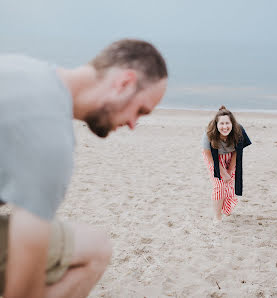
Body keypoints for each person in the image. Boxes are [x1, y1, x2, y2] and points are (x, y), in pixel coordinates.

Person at [0, 38, 168, 297]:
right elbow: (21, 288)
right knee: (96, 249)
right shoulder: (50, 134)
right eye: (140, 111)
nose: (134, 124)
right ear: (124, 83)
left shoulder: (19, 67)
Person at [202, 106, 251, 222]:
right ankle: (217, 217)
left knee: (229, 185)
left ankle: (226, 208)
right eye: (221, 124)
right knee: (219, 185)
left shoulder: (238, 132)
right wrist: (222, 172)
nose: (225, 127)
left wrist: (229, 171)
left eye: (227, 123)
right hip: (214, 158)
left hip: (230, 156)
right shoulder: (209, 133)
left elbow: (236, 152)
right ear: (216, 125)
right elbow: (208, 154)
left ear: (232, 123)